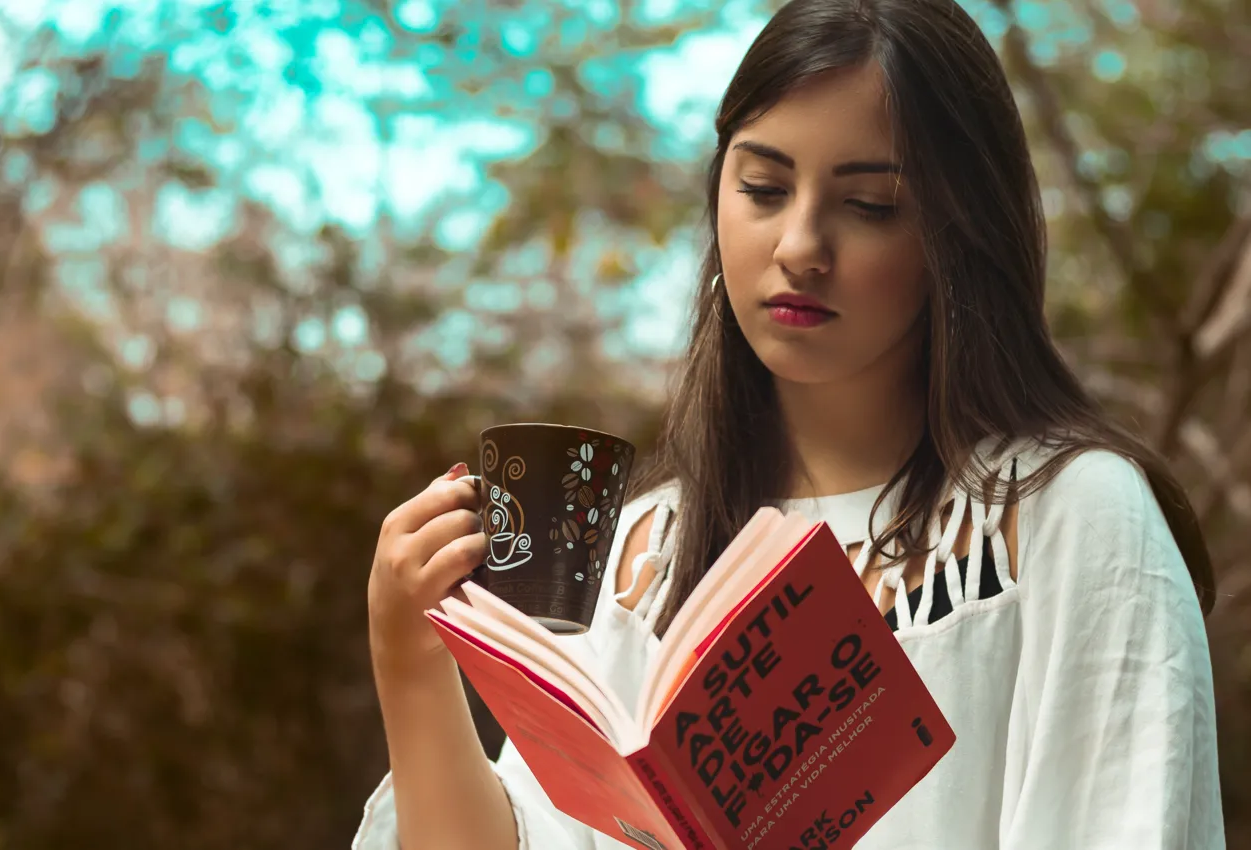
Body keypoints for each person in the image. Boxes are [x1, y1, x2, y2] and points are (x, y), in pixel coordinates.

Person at [356, 0, 1225, 847]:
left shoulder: (1066, 519)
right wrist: (409, 659)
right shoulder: (640, 555)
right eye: (764, 189)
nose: (800, 245)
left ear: (958, 232)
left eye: (870, 204)